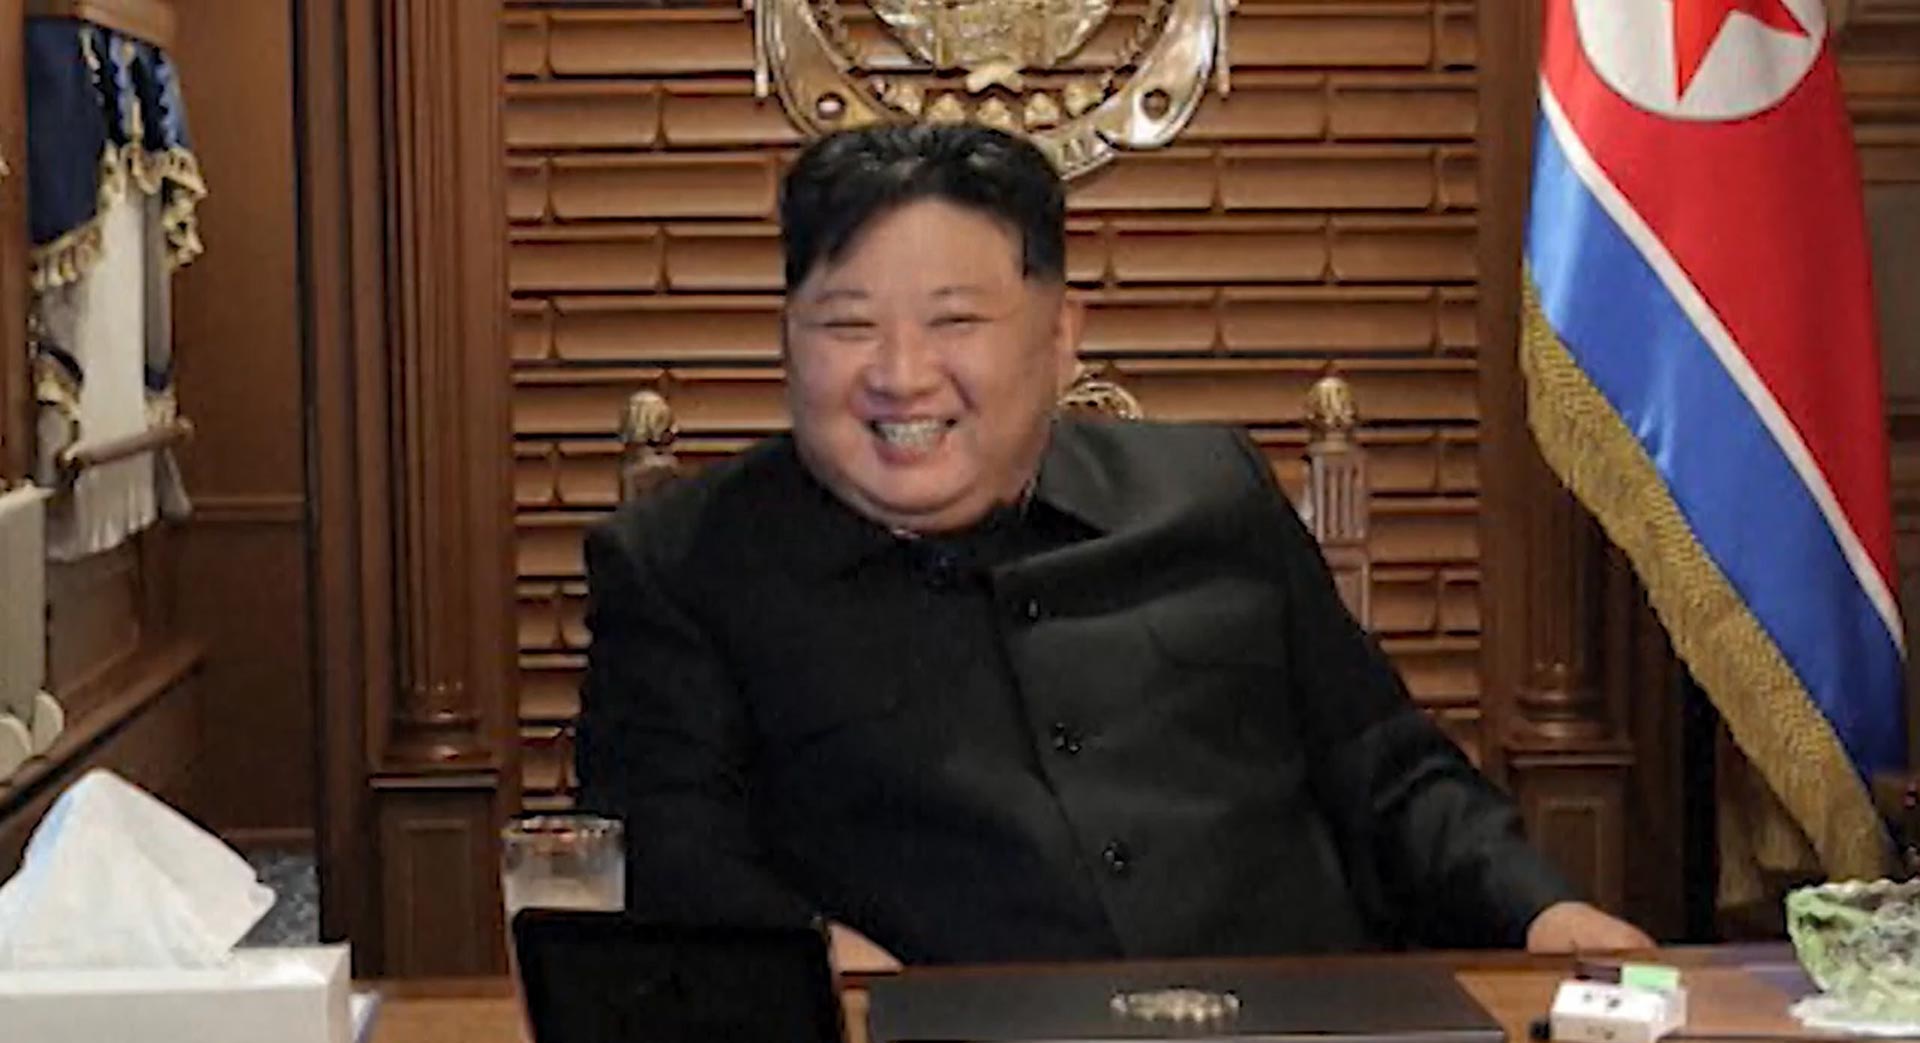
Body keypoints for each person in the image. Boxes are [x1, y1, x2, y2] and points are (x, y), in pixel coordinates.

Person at [576, 122, 1651, 966]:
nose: (900, 374)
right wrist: (813, 961)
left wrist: (1543, 913)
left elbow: (1387, 776)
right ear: (787, 339)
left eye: (954, 322)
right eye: (847, 324)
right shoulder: (682, 564)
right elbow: (667, 857)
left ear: (1061, 337)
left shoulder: (1212, 493)